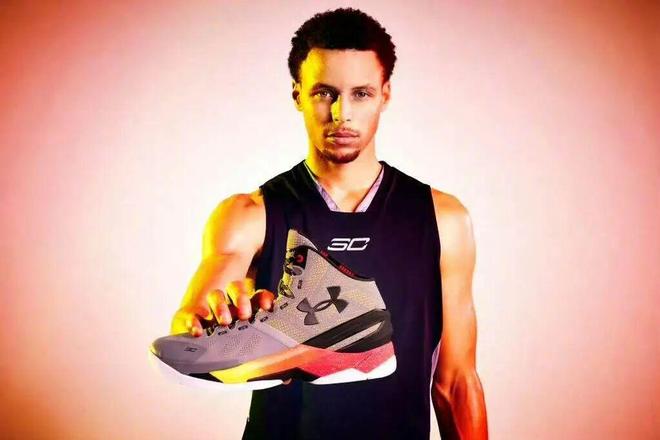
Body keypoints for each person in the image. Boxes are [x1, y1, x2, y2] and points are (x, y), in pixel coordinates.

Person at [170, 7, 488, 440]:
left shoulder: (442, 219)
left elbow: (456, 382)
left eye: (361, 93)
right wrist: (208, 321)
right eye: (325, 93)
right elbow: (191, 324)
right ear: (298, 94)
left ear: (385, 95)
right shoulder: (251, 214)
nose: (342, 113)